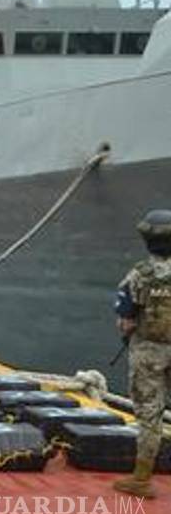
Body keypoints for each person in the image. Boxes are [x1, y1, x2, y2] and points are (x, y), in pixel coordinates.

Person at [113, 209, 171, 499]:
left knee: (150, 414)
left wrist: (128, 332)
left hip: (149, 352)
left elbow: (126, 320)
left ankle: (142, 478)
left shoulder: (139, 275)